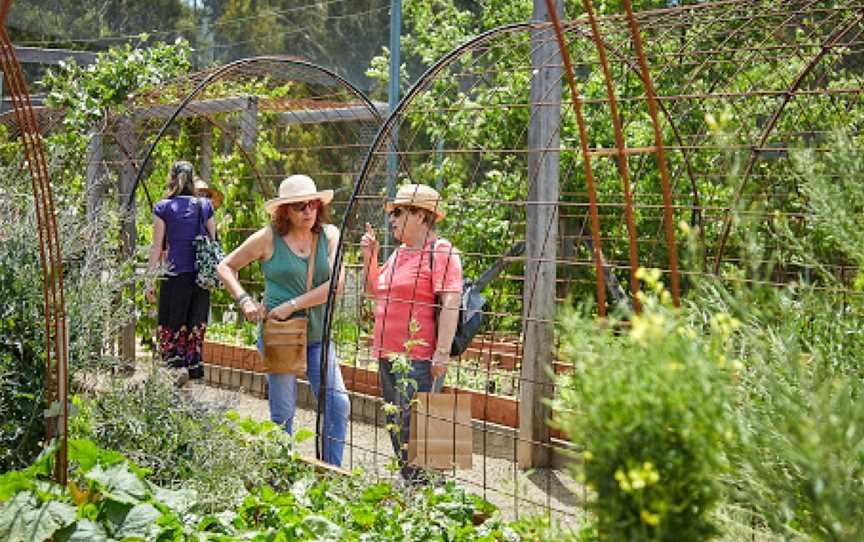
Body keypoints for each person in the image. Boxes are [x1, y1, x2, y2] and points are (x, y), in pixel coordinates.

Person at [217, 174, 349, 466]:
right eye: (299, 206)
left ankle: (331, 472)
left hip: (317, 336)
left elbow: (336, 286)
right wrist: (244, 300)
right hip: (281, 333)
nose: (308, 211)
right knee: (284, 412)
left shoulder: (329, 235)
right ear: (284, 211)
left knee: (337, 404)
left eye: (312, 204)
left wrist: (293, 304)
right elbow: (225, 266)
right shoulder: (268, 238)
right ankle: (281, 472)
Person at [360, 183, 463, 481]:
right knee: (398, 426)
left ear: (420, 215)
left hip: (420, 358)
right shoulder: (399, 253)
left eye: (398, 212)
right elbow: (375, 291)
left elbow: (451, 300)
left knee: (424, 431)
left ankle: (435, 495)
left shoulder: (441, 251)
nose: (391, 218)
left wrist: (442, 353)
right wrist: (371, 256)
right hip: (387, 354)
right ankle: (416, 493)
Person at [145, 160, 215, 383]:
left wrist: (149, 283)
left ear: (171, 178)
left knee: (172, 332)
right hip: (200, 280)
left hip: (174, 278)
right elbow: (213, 244)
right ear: (193, 180)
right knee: (193, 336)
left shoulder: (163, 207)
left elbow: (157, 247)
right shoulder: (205, 206)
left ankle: (175, 397)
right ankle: (189, 397)